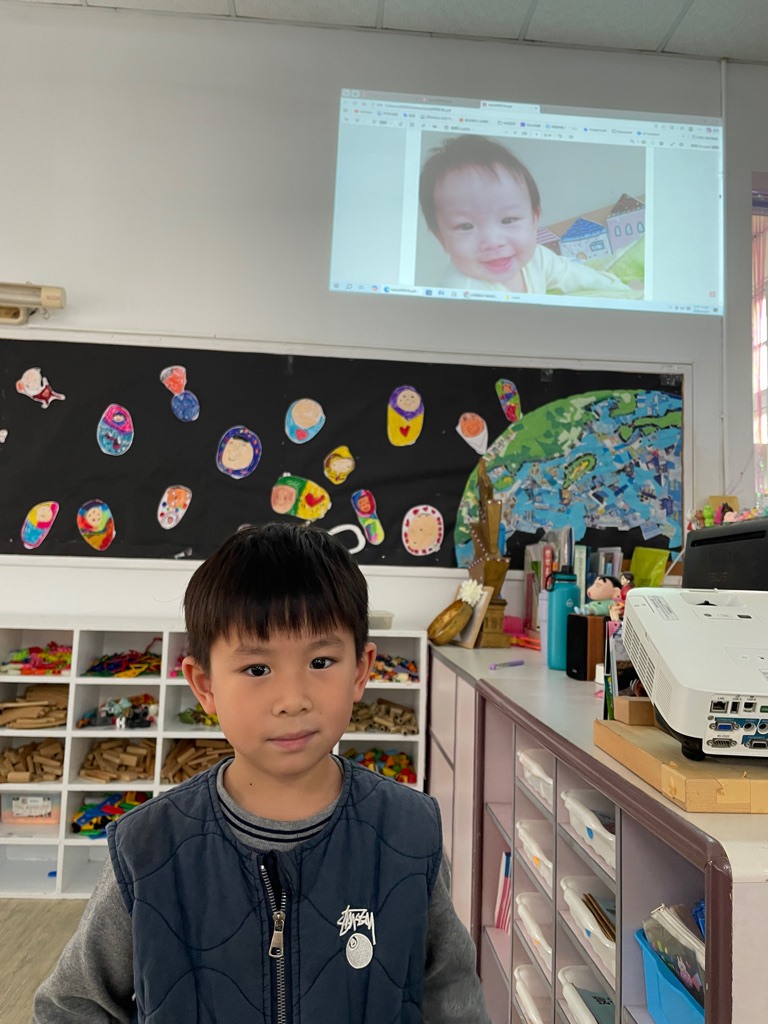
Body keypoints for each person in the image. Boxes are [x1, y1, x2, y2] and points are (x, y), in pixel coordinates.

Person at [32, 522, 491, 1024]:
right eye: (256, 669)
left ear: (361, 671)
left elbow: (452, 998)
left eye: (321, 661)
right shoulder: (148, 847)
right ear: (205, 686)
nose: (292, 700)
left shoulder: (410, 833)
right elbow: (71, 1006)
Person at [419, 135, 640, 298]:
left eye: (508, 220)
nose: (493, 242)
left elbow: (576, 276)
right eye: (466, 226)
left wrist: (624, 292)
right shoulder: (461, 295)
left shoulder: (538, 258)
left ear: (534, 220)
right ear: (441, 239)